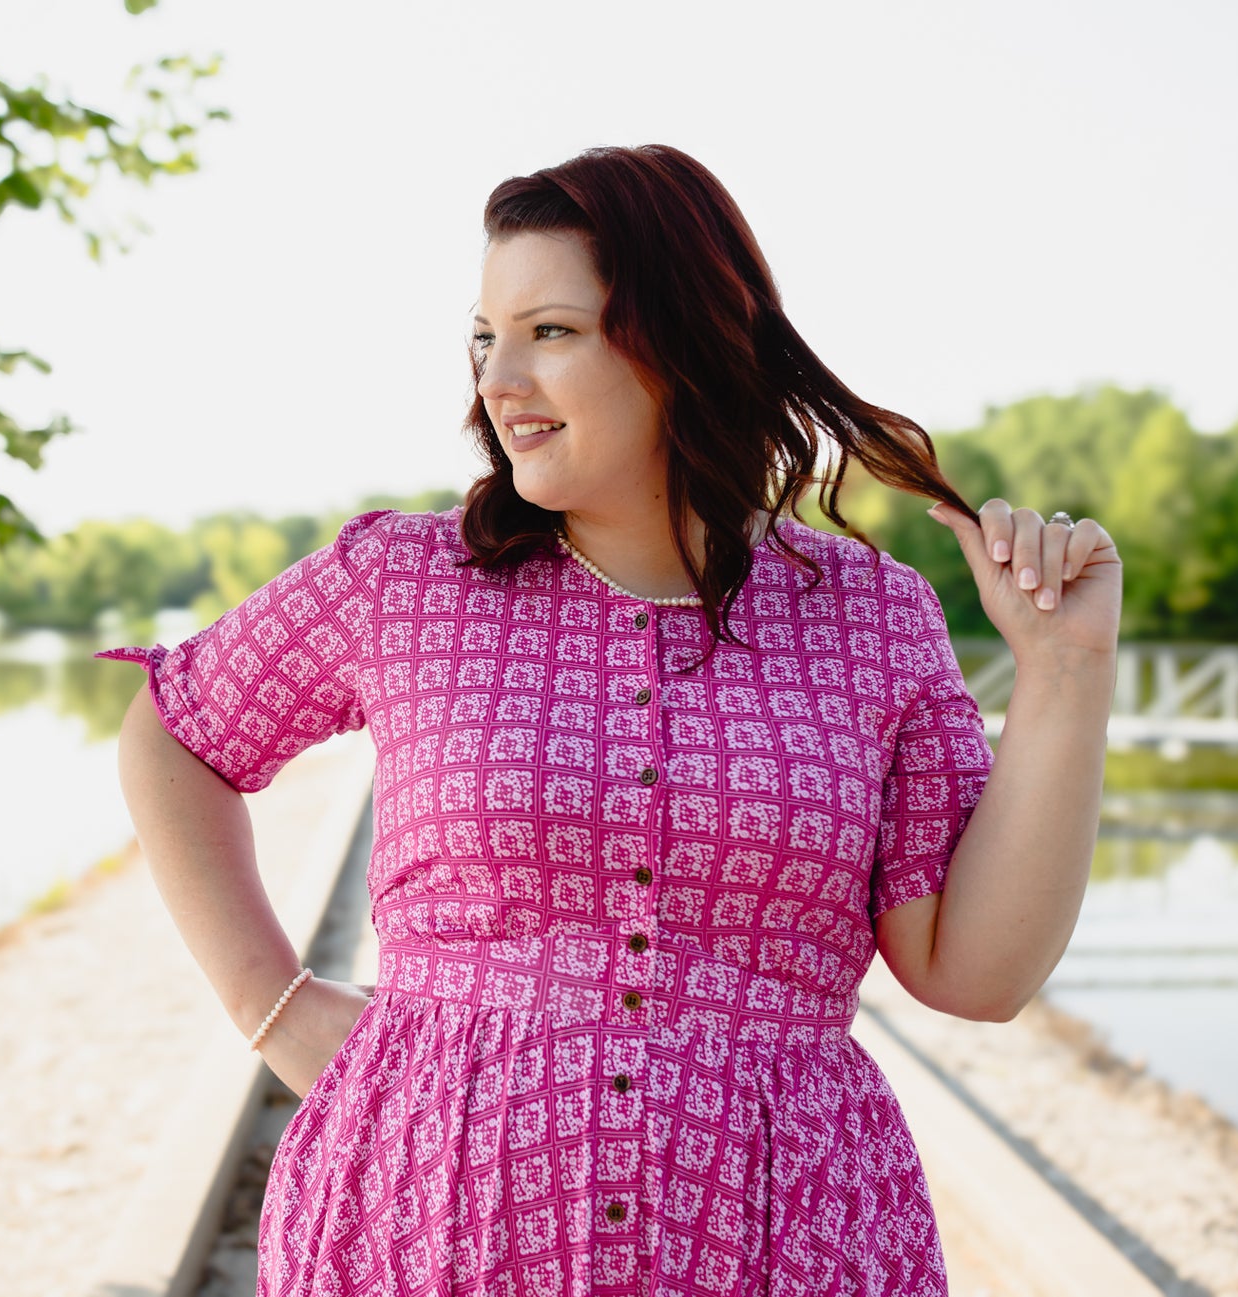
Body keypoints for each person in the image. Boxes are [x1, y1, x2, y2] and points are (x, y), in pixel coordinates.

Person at [97, 144, 1120, 1296]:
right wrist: (271, 1006)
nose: (497, 379)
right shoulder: (403, 581)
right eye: (483, 337)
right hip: (426, 1227)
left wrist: (1064, 671)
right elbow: (173, 732)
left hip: (785, 1241)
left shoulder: (872, 617)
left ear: (684, 340)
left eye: (550, 331)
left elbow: (973, 972)